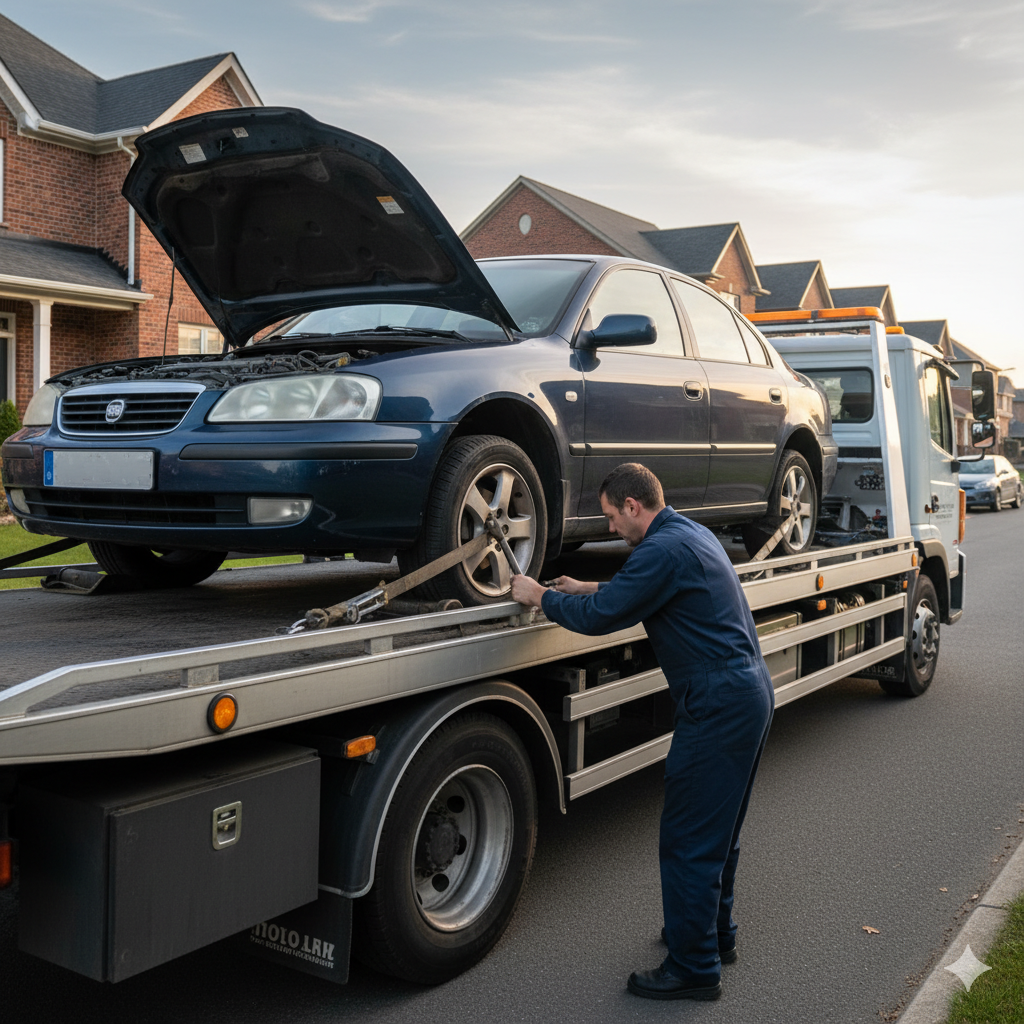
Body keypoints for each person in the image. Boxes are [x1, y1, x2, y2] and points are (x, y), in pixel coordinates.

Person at [510, 463, 774, 1002]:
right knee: (719, 831)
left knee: (688, 840)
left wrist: (538, 596)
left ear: (633, 506)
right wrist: (586, 583)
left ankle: (694, 968)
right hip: (747, 692)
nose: (608, 528)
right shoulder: (686, 533)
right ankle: (714, 936)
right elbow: (640, 587)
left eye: (610, 516)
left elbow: (605, 616)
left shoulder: (662, 549)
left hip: (717, 702)